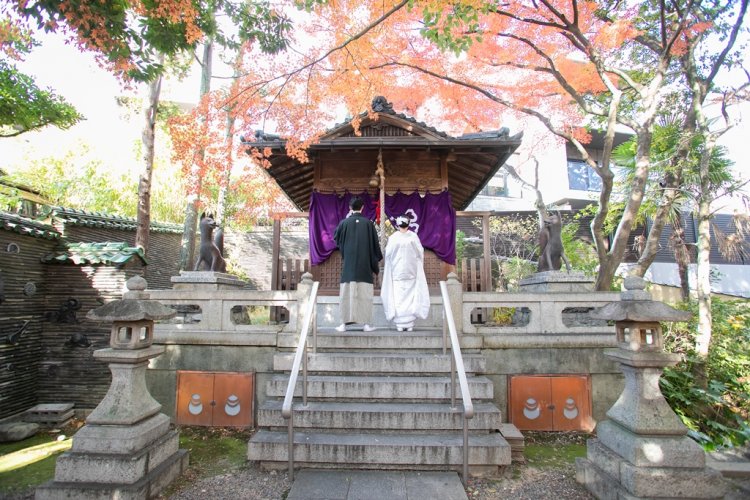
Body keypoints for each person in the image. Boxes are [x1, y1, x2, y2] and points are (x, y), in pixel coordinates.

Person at [333, 196, 383, 332]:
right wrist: (375, 260)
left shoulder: (344, 223)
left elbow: (336, 238)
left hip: (349, 265)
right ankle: (366, 324)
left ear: (350, 208)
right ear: (362, 208)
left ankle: (343, 324)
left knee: (346, 293)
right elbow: (375, 246)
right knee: (365, 294)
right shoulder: (368, 224)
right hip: (364, 266)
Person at [381, 214, 430, 332]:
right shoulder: (413, 237)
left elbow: (387, 254)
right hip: (410, 271)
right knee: (410, 297)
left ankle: (400, 323)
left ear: (398, 225)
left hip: (397, 271)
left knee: (398, 297)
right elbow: (420, 253)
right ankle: (409, 323)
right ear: (408, 224)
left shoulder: (393, 238)